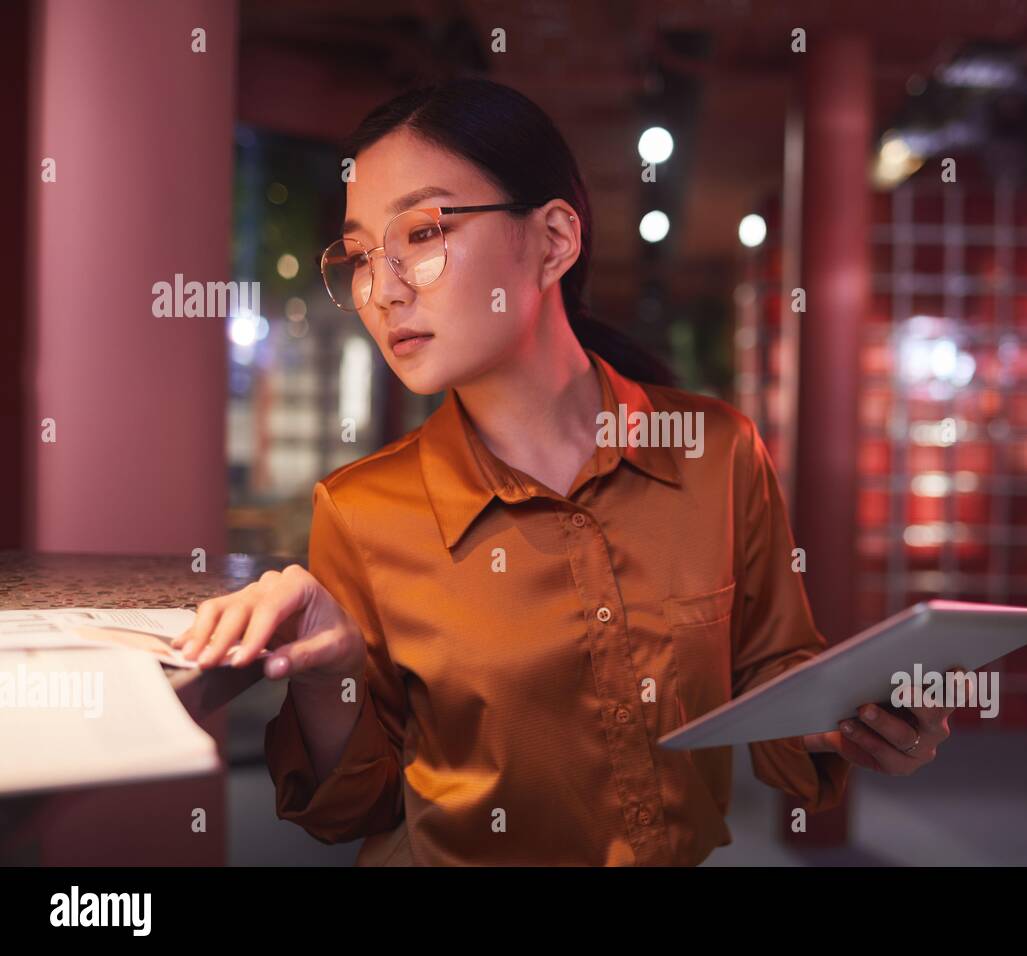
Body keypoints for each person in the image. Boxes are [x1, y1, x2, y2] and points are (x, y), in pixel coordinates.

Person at [174, 77, 955, 865]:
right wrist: (327, 673)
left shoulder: (715, 452)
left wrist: (850, 718)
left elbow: (771, 673)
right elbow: (355, 808)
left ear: (552, 240)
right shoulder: (360, 510)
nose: (383, 289)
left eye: (421, 232)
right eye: (360, 254)